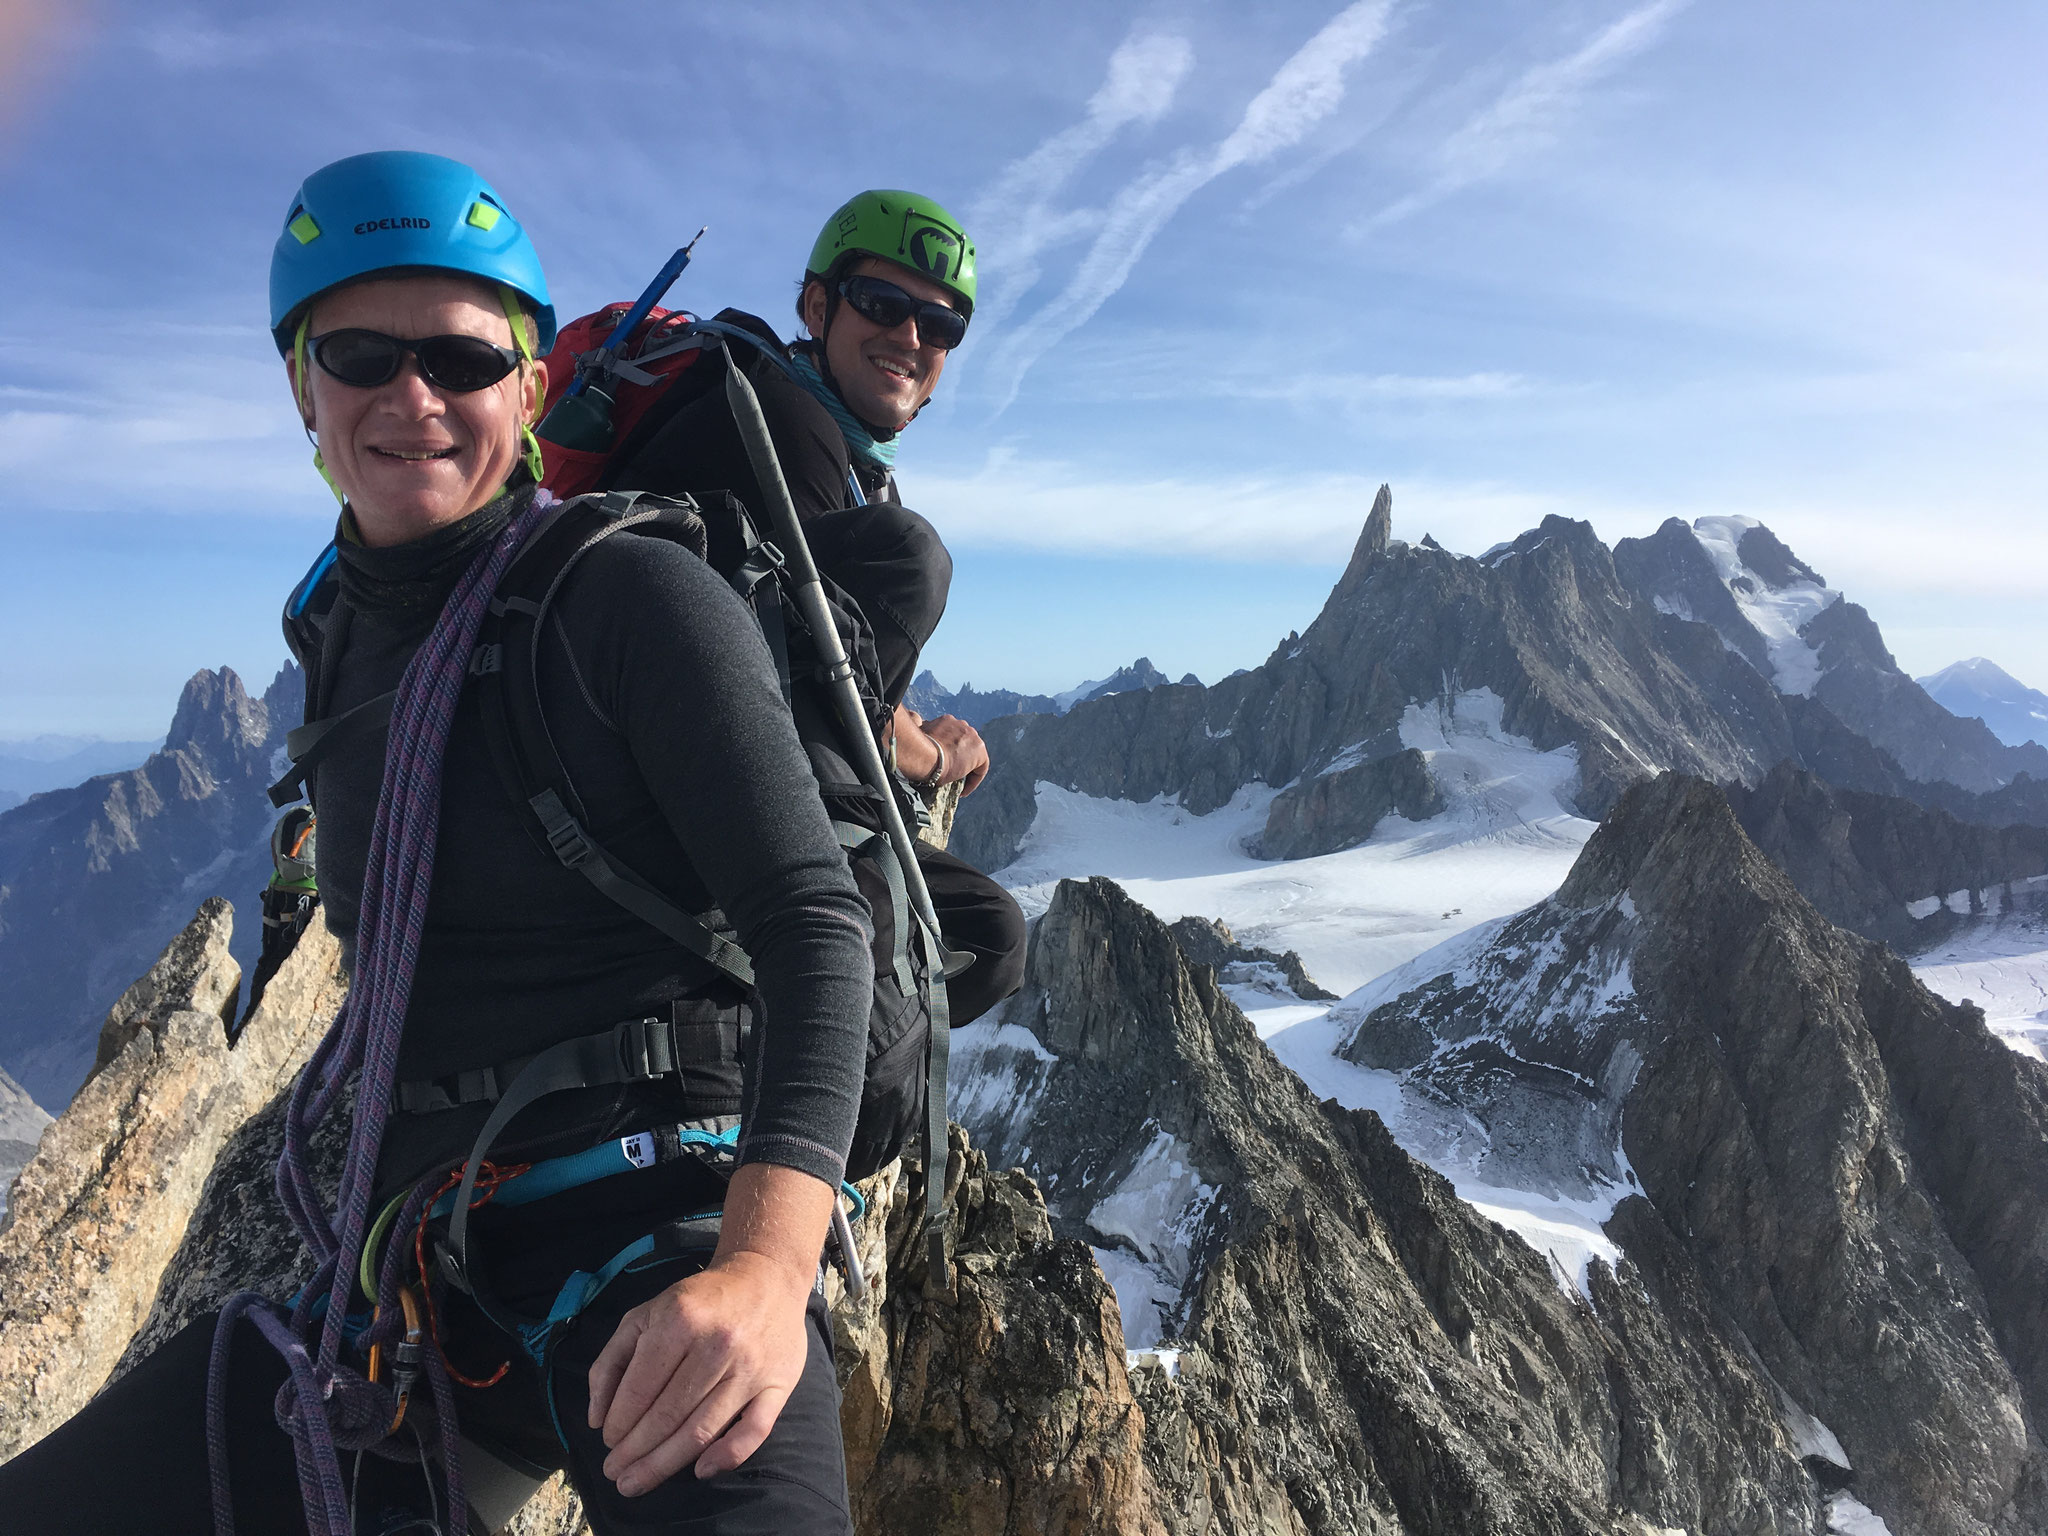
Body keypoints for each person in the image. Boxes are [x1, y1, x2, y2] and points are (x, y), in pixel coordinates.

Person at [0, 152, 871, 1535]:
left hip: (666, 1232)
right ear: (303, 384)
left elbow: (819, 929)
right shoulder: (342, 644)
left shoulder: (630, 598)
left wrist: (768, 1276)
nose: (414, 398)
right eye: (361, 353)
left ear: (529, 387)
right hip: (429, 1286)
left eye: (464, 361)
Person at [599, 190, 1026, 1027]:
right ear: (817, 305)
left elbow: (805, 648)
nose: (911, 337)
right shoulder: (770, 420)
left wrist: (900, 724)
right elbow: (813, 674)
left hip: (716, 769)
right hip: (657, 803)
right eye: (883, 304)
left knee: (989, 939)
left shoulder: (820, 438)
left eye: (939, 326)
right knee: (910, 560)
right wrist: (932, 760)